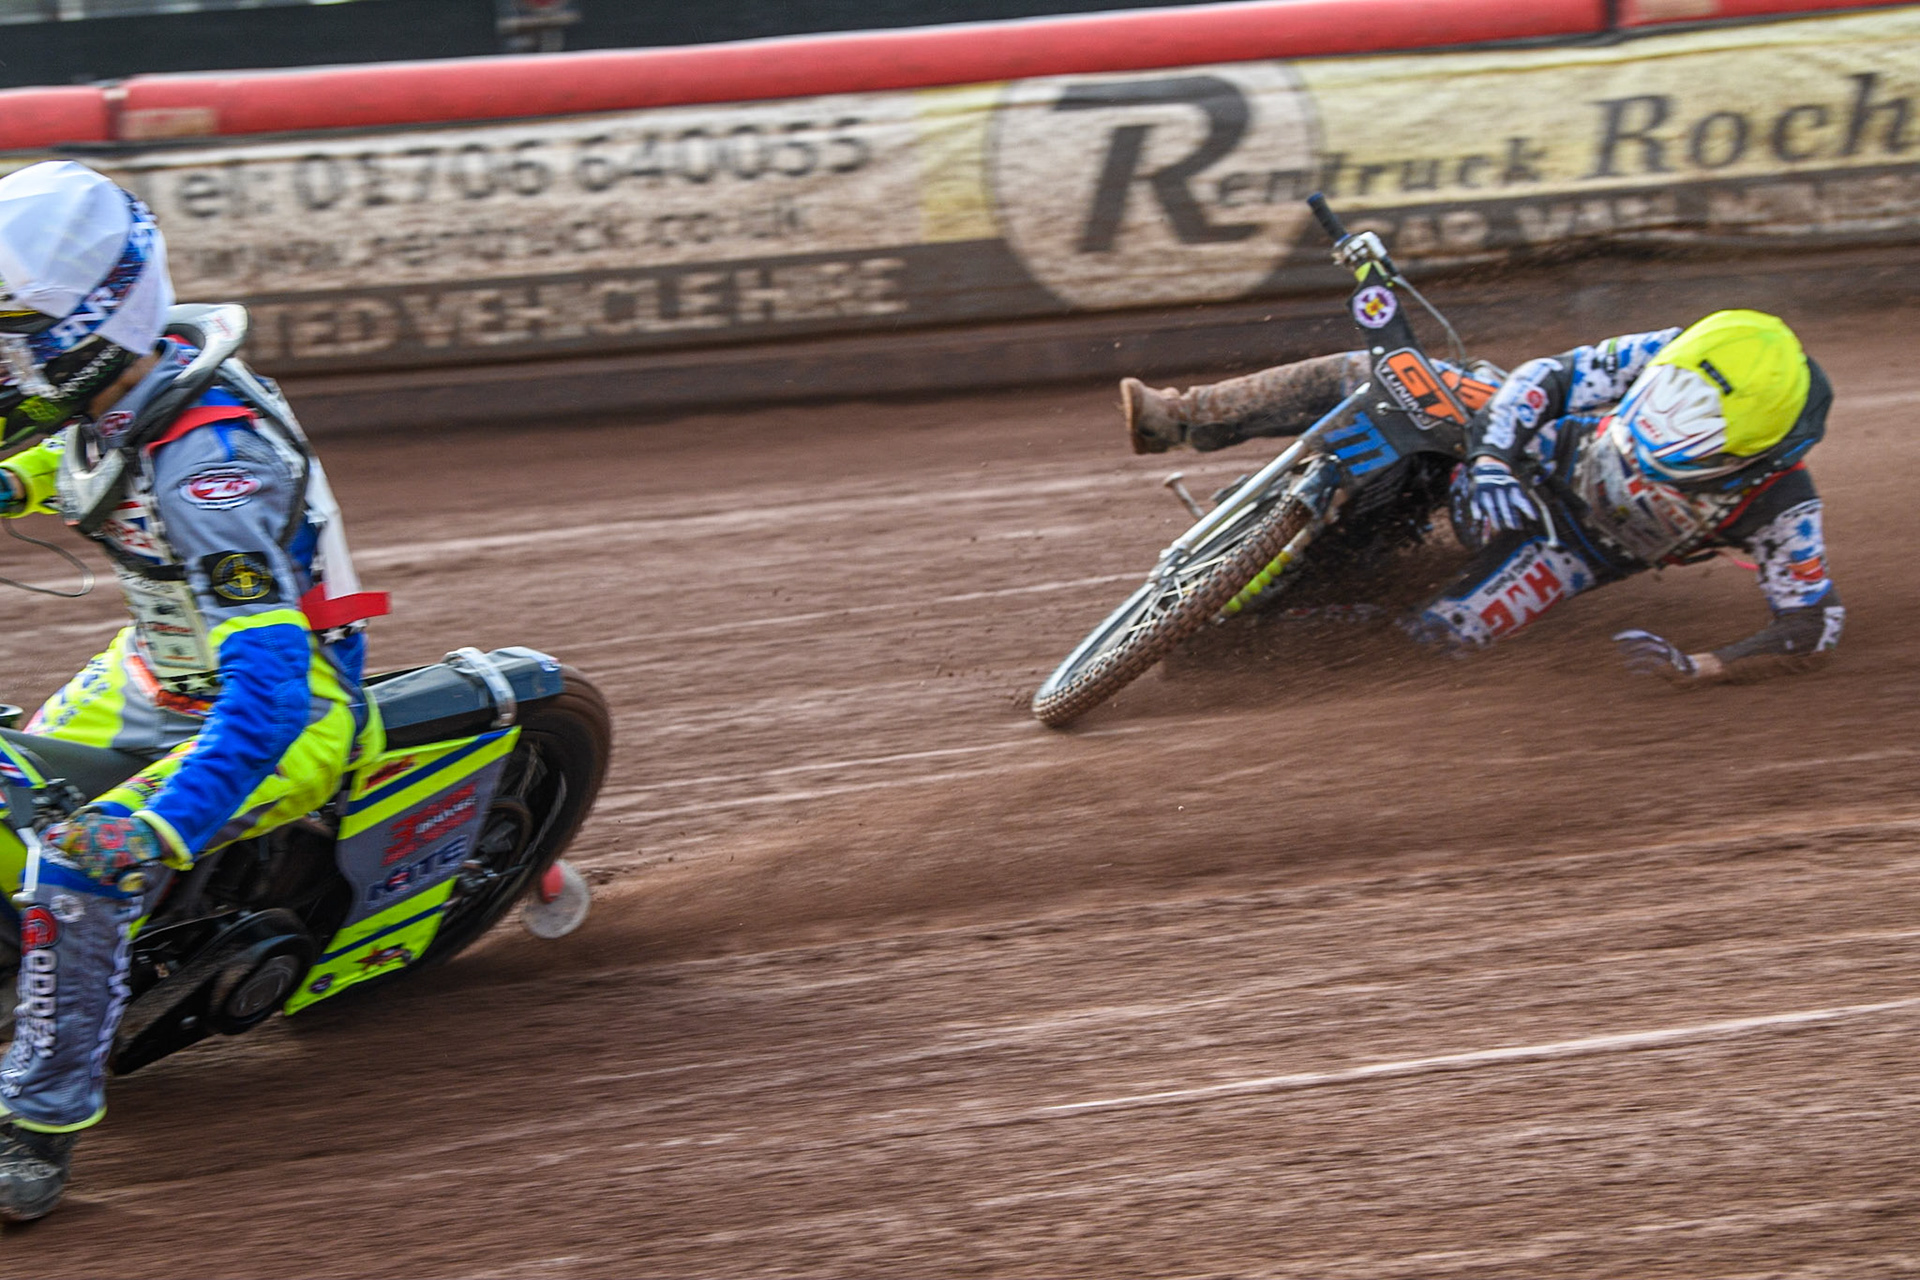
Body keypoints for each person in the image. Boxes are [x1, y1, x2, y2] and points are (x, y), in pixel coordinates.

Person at [0, 161, 385, 1222]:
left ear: (83, 325)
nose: (1, 362)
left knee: (76, 862)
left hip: (283, 708)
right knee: (13, 790)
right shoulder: (138, 376)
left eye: (11, 335)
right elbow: (85, 458)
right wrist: (9, 480)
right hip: (154, 669)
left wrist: (157, 826)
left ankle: (37, 1124)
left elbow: (263, 697)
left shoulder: (212, 472)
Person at [1120, 310, 1841, 681]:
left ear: (1757, 456)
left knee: (1431, 644)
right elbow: (1546, 379)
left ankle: (1241, 638)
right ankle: (1181, 417)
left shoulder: (1784, 508)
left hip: (1567, 552)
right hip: (1521, 447)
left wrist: (1706, 667)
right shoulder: (1674, 348)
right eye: (1665, 397)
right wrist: (1497, 456)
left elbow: (1809, 626)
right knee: (1391, 374)